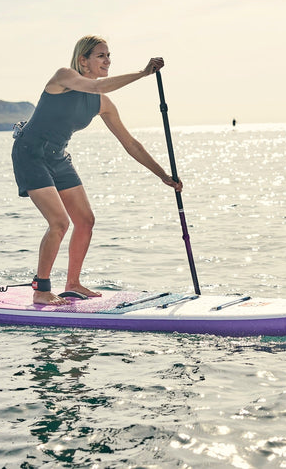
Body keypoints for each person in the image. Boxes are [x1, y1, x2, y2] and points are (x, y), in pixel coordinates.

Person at [11, 35, 183, 306]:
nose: (108, 60)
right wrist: (142, 73)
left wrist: (163, 175)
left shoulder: (102, 103)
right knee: (59, 222)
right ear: (83, 60)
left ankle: (73, 283)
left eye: (109, 55)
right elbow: (99, 84)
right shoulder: (64, 77)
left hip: (57, 157)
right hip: (30, 154)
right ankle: (41, 288)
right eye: (101, 55)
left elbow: (131, 144)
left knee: (85, 221)